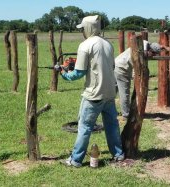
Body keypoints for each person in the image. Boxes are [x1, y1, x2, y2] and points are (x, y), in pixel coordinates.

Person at [59, 15, 124, 167]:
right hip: (109, 93)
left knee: (85, 127)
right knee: (112, 126)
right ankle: (118, 154)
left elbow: (78, 73)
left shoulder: (85, 45)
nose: (82, 31)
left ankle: (75, 160)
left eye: (82, 28)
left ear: (88, 28)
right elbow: (107, 67)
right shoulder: (108, 44)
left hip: (93, 94)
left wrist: (64, 74)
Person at [114, 41, 164, 119]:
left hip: (116, 64)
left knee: (113, 91)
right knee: (124, 93)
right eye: (154, 54)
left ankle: (111, 111)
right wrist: (136, 78)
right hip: (122, 68)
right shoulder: (141, 48)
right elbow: (137, 67)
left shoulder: (141, 48)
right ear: (150, 50)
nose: (152, 56)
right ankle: (126, 114)